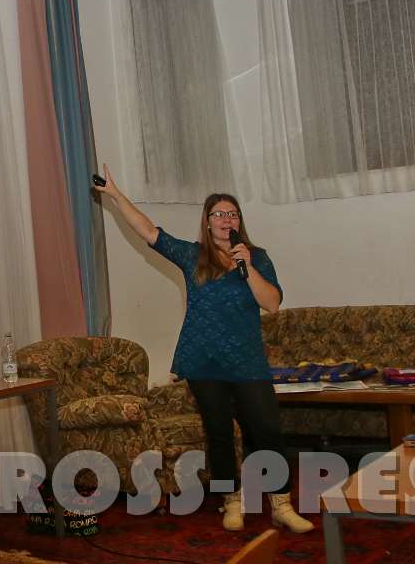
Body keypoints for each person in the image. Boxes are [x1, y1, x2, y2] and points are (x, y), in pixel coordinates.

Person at [93, 165, 313, 535]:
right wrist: (116, 196)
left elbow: (272, 303)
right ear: (208, 223)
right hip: (204, 360)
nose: (226, 219)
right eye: (218, 214)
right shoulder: (193, 256)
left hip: (246, 361)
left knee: (267, 430)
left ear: (239, 221)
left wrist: (246, 267)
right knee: (219, 433)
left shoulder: (256, 257)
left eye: (232, 213)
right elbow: (149, 231)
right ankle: (231, 502)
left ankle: (282, 505)